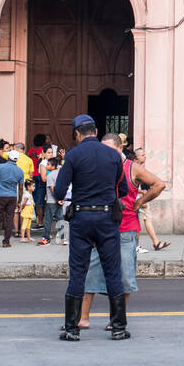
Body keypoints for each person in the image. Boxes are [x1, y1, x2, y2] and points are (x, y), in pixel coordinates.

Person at [53, 114, 133, 341]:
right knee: (112, 270)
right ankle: (118, 327)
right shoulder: (114, 155)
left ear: (77, 134)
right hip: (107, 219)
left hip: (81, 219)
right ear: (96, 132)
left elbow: (59, 192)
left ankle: (72, 329)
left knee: (78, 270)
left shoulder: (73, 155)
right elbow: (123, 189)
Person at [77, 134, 165, 332]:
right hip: (99, 227)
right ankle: (83, 318)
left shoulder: (132, 168)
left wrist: (140, 203)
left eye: (109, 149)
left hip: (125, 229)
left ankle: (116, 319)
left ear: (120, 148)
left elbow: (159, 184)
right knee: (90, 272)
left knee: (125, 276)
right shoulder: (98, 166)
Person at [131, 148, 171, 253]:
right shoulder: (133, 167)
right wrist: (140, 197)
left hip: (141, 198)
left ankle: (154, 242)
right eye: (142, 155)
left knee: (145, 220)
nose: (145, 157)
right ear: (136, 157)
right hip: (137, 199)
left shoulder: (139, 167)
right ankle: (141, 245)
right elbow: (130, 187)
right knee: (138, 222)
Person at [0, 149, 24, 248]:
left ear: (8, 158)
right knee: (9, 219)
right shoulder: (20, 171)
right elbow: (21, 188)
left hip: (0, 195)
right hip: (12, 197)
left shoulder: (0, 167)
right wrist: (19, 201)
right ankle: (6, 242)